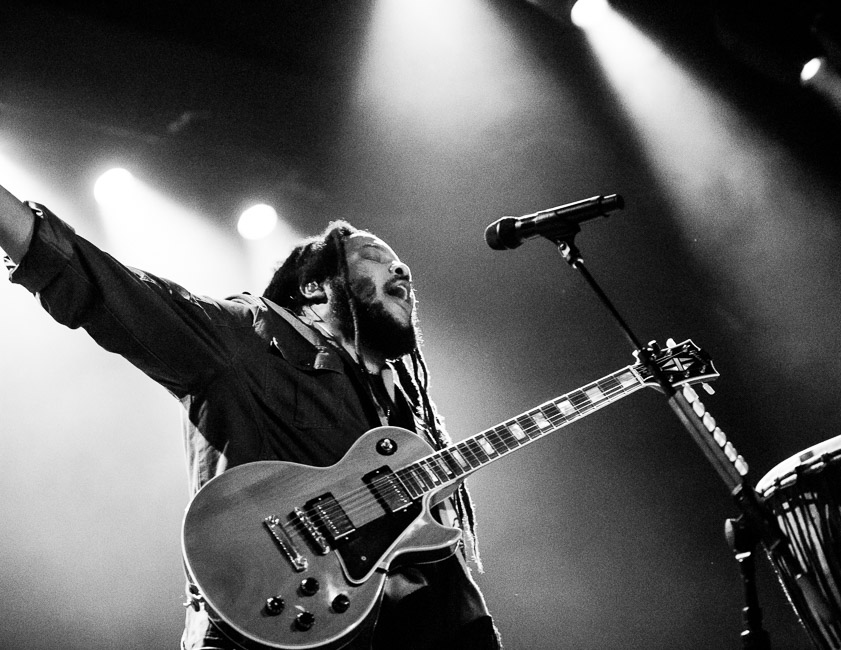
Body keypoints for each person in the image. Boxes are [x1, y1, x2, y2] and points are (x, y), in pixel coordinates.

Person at [0, 183, 502, 650]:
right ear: (313, 289)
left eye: (401, 266)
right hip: (265, 627)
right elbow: (108, 288)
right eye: (374, 258)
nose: (403, 272)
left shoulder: (404, 406)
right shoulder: (249, 340)